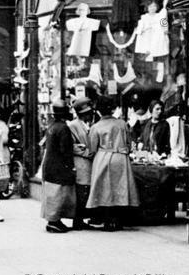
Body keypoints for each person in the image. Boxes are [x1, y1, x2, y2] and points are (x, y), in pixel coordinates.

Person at [86, 96, 140, 231]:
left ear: (99, 110)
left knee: (105, 189)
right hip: (121, 158)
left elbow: (92, 148)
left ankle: (107, 219)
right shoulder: (122, 124)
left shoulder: (96, 127)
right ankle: (118, 219)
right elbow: (129, 142)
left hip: (103, 157)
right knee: (120, 188)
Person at [41, 99, 76, 233]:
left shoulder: (52, 126)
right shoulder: (63, 128)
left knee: (52, 194)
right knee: (58, 194)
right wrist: (70, 166)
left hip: (50, 165)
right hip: (59, 166)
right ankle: (54, 221)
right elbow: (65, 150)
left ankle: (53, 220)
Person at [68, 97, 95, 230]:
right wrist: (85, 152)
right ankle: (77, 220)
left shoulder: (92, 124)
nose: (89, 115)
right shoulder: (72, 126)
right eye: (86, 113)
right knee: (81, 191)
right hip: (81, 163)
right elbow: (72, 146)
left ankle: (82, 218)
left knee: (86, 190)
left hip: (90, 163)